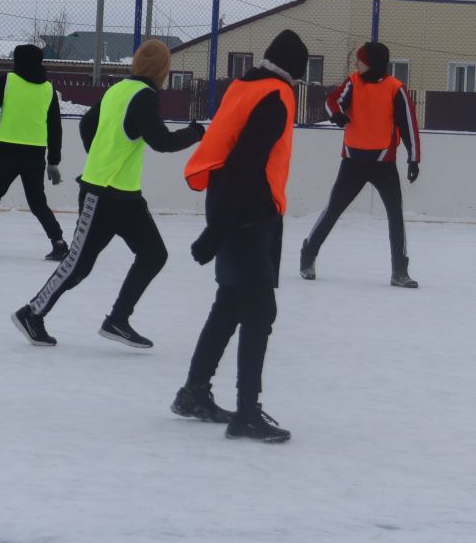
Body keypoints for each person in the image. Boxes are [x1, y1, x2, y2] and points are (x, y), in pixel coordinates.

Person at [11, 40, 204, 348]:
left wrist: (100, 155)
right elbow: (162, 141)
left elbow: (88, 124)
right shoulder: (144, 96)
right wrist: (197, 133)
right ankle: (31, 313)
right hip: (101, 194)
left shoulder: (119, 89)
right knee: (78, 264)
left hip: (126, 196)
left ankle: (117, 319)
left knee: (154, 254)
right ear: (162, 69)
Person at [171, 29, 306, 443]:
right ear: (295, 71)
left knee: (229, 305)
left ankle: (194, 392)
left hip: (234, 210)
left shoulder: (242, 87)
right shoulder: (276, 98)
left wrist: (217, 224)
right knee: (260, 312)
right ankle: (247, 411)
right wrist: (217, 232)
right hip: (248, 216)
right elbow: (245, 163)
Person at [298, 41, 422, 286]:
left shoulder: (395, 89)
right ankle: (308, 255)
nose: (357, 63)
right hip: (353, 162)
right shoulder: (353, 82)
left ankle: (400, 271)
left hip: (383, 163)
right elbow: (331, 101)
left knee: (395, 215)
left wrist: (414, 158)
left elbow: (409, 126)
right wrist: (337, 114)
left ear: (373, 62)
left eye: (361, 59)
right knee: (333, 209)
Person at [0, 43, 68, 259]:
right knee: (37, 203)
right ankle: (59, 242)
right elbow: (55, 127)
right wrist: (53, 160)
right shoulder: (48, 88)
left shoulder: (8, 81)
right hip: (35, 154)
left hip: (7, 151)